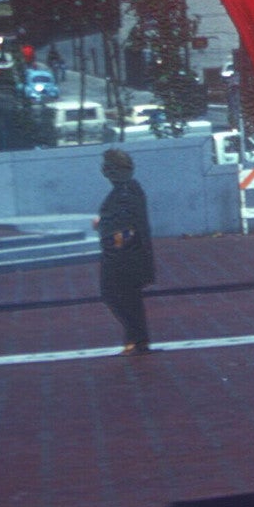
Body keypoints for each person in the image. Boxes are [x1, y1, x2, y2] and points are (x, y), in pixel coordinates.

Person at [94, 148, 155, 354]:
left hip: (123, 255)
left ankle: (135, 337)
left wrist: (113, 244)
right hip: (131, 253)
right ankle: (137, 338)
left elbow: (126, 228)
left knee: (114, 294)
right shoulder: (129, 189)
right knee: (129, 297)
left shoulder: (124, 192)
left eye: (108, 167)